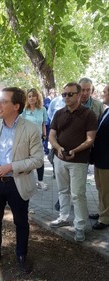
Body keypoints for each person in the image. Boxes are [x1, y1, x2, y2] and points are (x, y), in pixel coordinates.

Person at [0, 87, 44, 274]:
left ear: (16, 106)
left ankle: (21, 255)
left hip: (18, 183)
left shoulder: (31, 129)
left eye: (3, 101)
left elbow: (38, 159)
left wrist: (11, 166)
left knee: (21, 222)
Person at [49, 82, 97, 242]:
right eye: (64, 94)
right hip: (59, 158)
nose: (66, 97)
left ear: (78, 95)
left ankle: (80, 226)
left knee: (78, 195)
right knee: (62, 190)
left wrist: (75, 150)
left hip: (79, 161)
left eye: (70, 94)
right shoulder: (58, 113)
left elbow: (90, 139)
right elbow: (51, 135)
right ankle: (63, 217)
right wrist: (58, 148)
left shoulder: (88, 114)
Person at [89, 84, 109, 230]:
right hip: (100, 157)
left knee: (106, 190)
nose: (102, 93)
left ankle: (105, 218)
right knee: (100, 188)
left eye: (105, 91)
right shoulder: (106, 110)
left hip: (107, 159)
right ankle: (102, 211)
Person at [21, 88, 48, 190]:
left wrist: (44, 135)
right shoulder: (24, 110)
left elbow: (43, 124)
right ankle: (27, 181)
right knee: (26, 160)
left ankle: (40, 181)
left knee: (39, 160)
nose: (31, 98)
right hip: (26, 139)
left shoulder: (42, 109)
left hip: (38, 139)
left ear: (37, 97)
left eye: (33, 96)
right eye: (29, 96)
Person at [43, 89, 57, 155]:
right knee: (47, 135)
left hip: (51, 121)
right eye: (53, 93)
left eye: (55, 93)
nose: (54, 94)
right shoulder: (47, 100)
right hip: (47, 121)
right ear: (50, 93)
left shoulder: (54, 100)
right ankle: (46, 150)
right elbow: (48, 107)